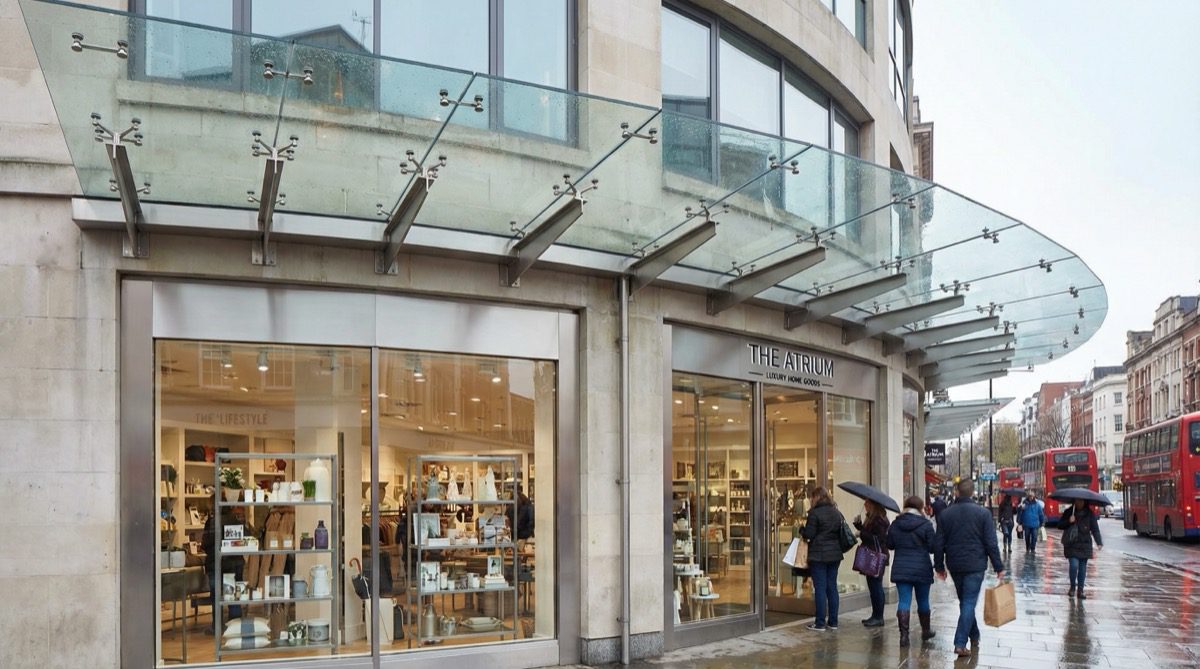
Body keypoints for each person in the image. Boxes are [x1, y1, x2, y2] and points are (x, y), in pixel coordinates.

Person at [933, 480, 1005, 658]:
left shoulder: (945, 515)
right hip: (975, 565)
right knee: (968, 602)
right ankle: (959, 642)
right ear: (972, 493)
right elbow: (991, 543)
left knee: (965, 601)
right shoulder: (983, 513)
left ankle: (974, 634)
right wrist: (998, 566)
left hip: (955, 564)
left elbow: (938, 543)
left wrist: (939, 566)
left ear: (957, 492)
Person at [887, 495, 937, 646]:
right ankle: (926, 631)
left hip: (902, 568)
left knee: (904, 601)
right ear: (920, 507)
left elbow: (890, 545)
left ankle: (904, 636)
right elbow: (932, 547)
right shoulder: (926, 524)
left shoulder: (896, 524)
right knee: (923, 600)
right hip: (922, 568)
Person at [801, 487, 846, 631]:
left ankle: (820, 622)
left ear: (816, 498)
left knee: (820, 588)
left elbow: (809, 534)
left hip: (819, 555)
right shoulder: (836, 512)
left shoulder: (814, 514)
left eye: (812, 497)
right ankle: (833, 622)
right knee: (831, 587)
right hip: (834, 555)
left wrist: (802, 530)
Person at [853, 499, 890, 627]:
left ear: (873, 505)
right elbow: (870, 534)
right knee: (873, 586)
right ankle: (875, 615)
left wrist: (861, 533)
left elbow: (877, 539)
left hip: (876, 556)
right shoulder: (873, 518)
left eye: (867, 503)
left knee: (876, 587)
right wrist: (860, 527)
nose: (865, 505)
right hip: (874, 555)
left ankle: (879, 617)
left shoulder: (879, 520)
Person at [1059, 498, 1103, 599]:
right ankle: (1073, 587)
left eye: (1081, 501)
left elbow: (1095, 529)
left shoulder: (1090, 514)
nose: (1079, 503)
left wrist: (1099, 542)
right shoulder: (1069, 512)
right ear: (1074, 501)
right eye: (1077, 501)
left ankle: (1081, 590)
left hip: (1085, 544)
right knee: (1074, 565)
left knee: (1082, 568)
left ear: (1085, 502)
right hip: (1072, 544)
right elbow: (1060, 525)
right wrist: (1069, 521)